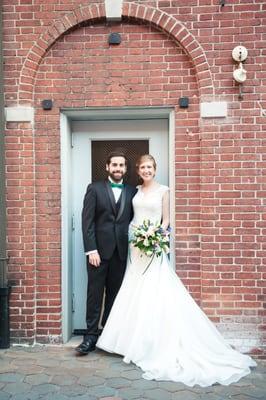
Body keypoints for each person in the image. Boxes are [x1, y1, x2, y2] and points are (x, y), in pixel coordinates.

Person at [97, 154, 256, 386]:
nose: (146, 170)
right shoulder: (136, 190)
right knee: (133, 288)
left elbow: (166, 221)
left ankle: (153, 343)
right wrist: (138, 237)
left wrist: (154, 237)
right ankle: (127, 341)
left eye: (150, 167)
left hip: (152, 245)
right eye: (143, 167)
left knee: (155, 290)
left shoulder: (164, 190)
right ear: (138, 170)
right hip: (134, 246)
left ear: (155, 168)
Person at [75, 151, 137, 355]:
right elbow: (87, 222)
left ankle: (109, 336)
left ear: (126, 169)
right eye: (115, 165)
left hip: (120, 252)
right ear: (107, 167)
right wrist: (91, 249)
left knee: (115, 295)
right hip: (98, 253)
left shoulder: (132, 191)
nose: (118, 168)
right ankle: (90, 337)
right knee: (94, 294)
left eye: (122, 165)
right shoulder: (94, 189)